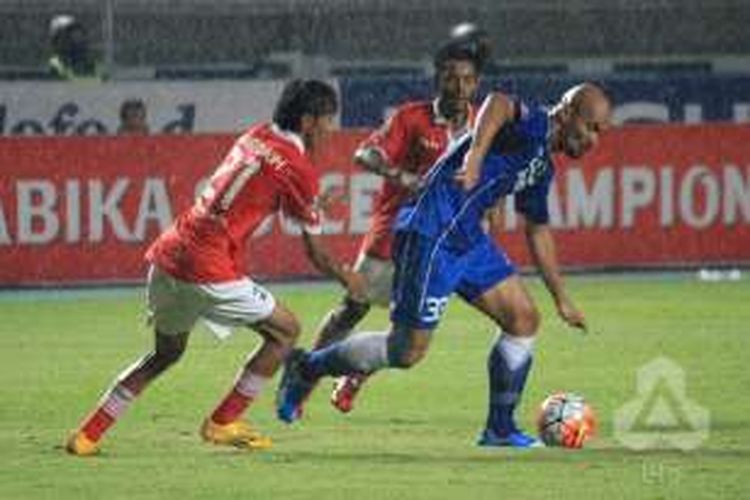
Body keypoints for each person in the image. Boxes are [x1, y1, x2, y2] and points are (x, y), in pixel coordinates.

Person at [276, 82, 613, 448]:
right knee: (405, 351)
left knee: (523, 319)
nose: (594, 138)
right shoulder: (535, 125)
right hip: (432, 231)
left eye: (600, 132)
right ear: (566, 113)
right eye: (590, 126)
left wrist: (561, 298)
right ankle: (306, 367)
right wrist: (474, 157)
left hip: (466, 238)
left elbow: (538, 230)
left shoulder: (542, 165)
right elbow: (498, 103)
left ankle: (499, 429)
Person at [66, 79, 366, 456]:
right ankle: (223, 421)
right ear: (308, 121)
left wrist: (314, 202)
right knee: (285, 332)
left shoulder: (253, 136)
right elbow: (316, 253)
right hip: (208, 268)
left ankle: (88, 434)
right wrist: (348, 277)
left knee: (164, 355)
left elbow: (260, 191)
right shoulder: (299, 168)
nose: (330, 129)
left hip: (168, 256)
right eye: (328, 120)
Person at [310, 25, 491, 414]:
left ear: (476, 83)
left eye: (467, 79)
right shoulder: (412, 118)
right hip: (393, 236)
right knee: (353, 308)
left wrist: (486, 214)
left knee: (406, 331)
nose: (459, 86)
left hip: (442, 243)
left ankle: (355, 374)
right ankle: (307, 372)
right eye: (450, 77)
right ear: (438, 77)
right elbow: (365, 155)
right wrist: (401, 176)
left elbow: (488, 181)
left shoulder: (483, 126)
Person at [48, 14, 101, 81]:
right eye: (69, 35)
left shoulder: (84, 56)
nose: (76, 38)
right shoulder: (56, 61)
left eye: (76, 34)